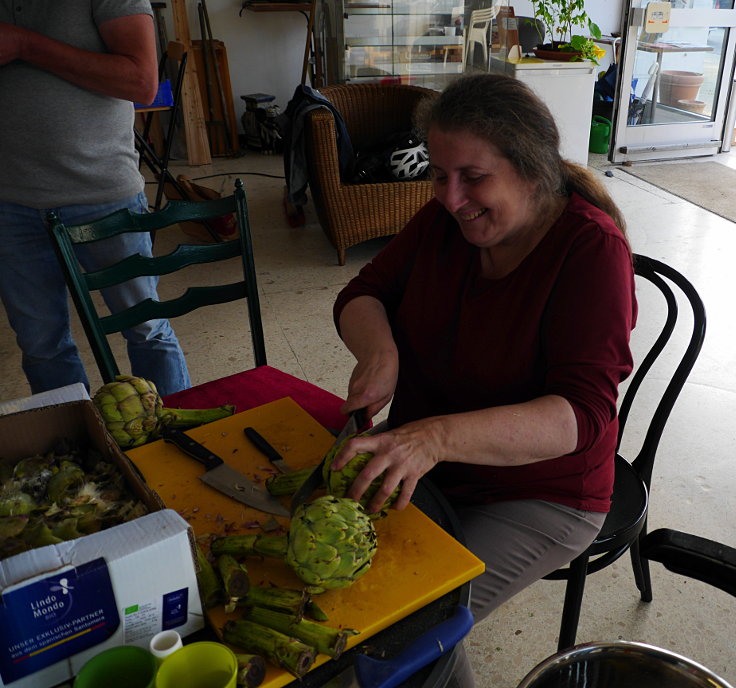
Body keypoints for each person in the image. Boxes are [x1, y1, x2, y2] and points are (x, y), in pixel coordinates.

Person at [330, 73, 637, 685]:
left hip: (540, 492)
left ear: (530, 169)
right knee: (345, 594)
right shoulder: (447, 222)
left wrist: (434, 438)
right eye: (438, 174)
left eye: (472, 177)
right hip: (430, 460)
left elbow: (580, 415)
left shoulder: (589, 251)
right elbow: (364, 292)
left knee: (406, 624)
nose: (450, 197)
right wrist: (381, 351)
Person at [0, 1, 191, 397]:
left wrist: (24, 45)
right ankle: (84, 450)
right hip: (9, 201)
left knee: (146, 329)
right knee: (41, 348)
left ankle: (175, 442)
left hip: (103, 197)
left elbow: (142, 82)